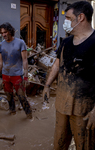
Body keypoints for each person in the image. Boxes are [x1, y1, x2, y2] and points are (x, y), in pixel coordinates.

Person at [42, 1, 95, 149]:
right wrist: (47, 85)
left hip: (83, 109)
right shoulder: (65, 42)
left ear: (81, 18)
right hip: (62, 105)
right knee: (59, 143)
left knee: (84, 145)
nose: (65, 22)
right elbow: (57, 65)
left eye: (69, 18)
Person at [0, 22, 32, 119]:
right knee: (8, 95)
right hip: (5, 75)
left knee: (21, 96)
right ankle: (12, 111)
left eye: (5, 32)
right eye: (2, 33)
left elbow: (25, 60)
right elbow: (0, 61)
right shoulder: (1, 45)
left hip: (17, 76)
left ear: (10, 31)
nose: (4, 35)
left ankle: (29, 115)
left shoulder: (20, 43)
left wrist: (25, 75)